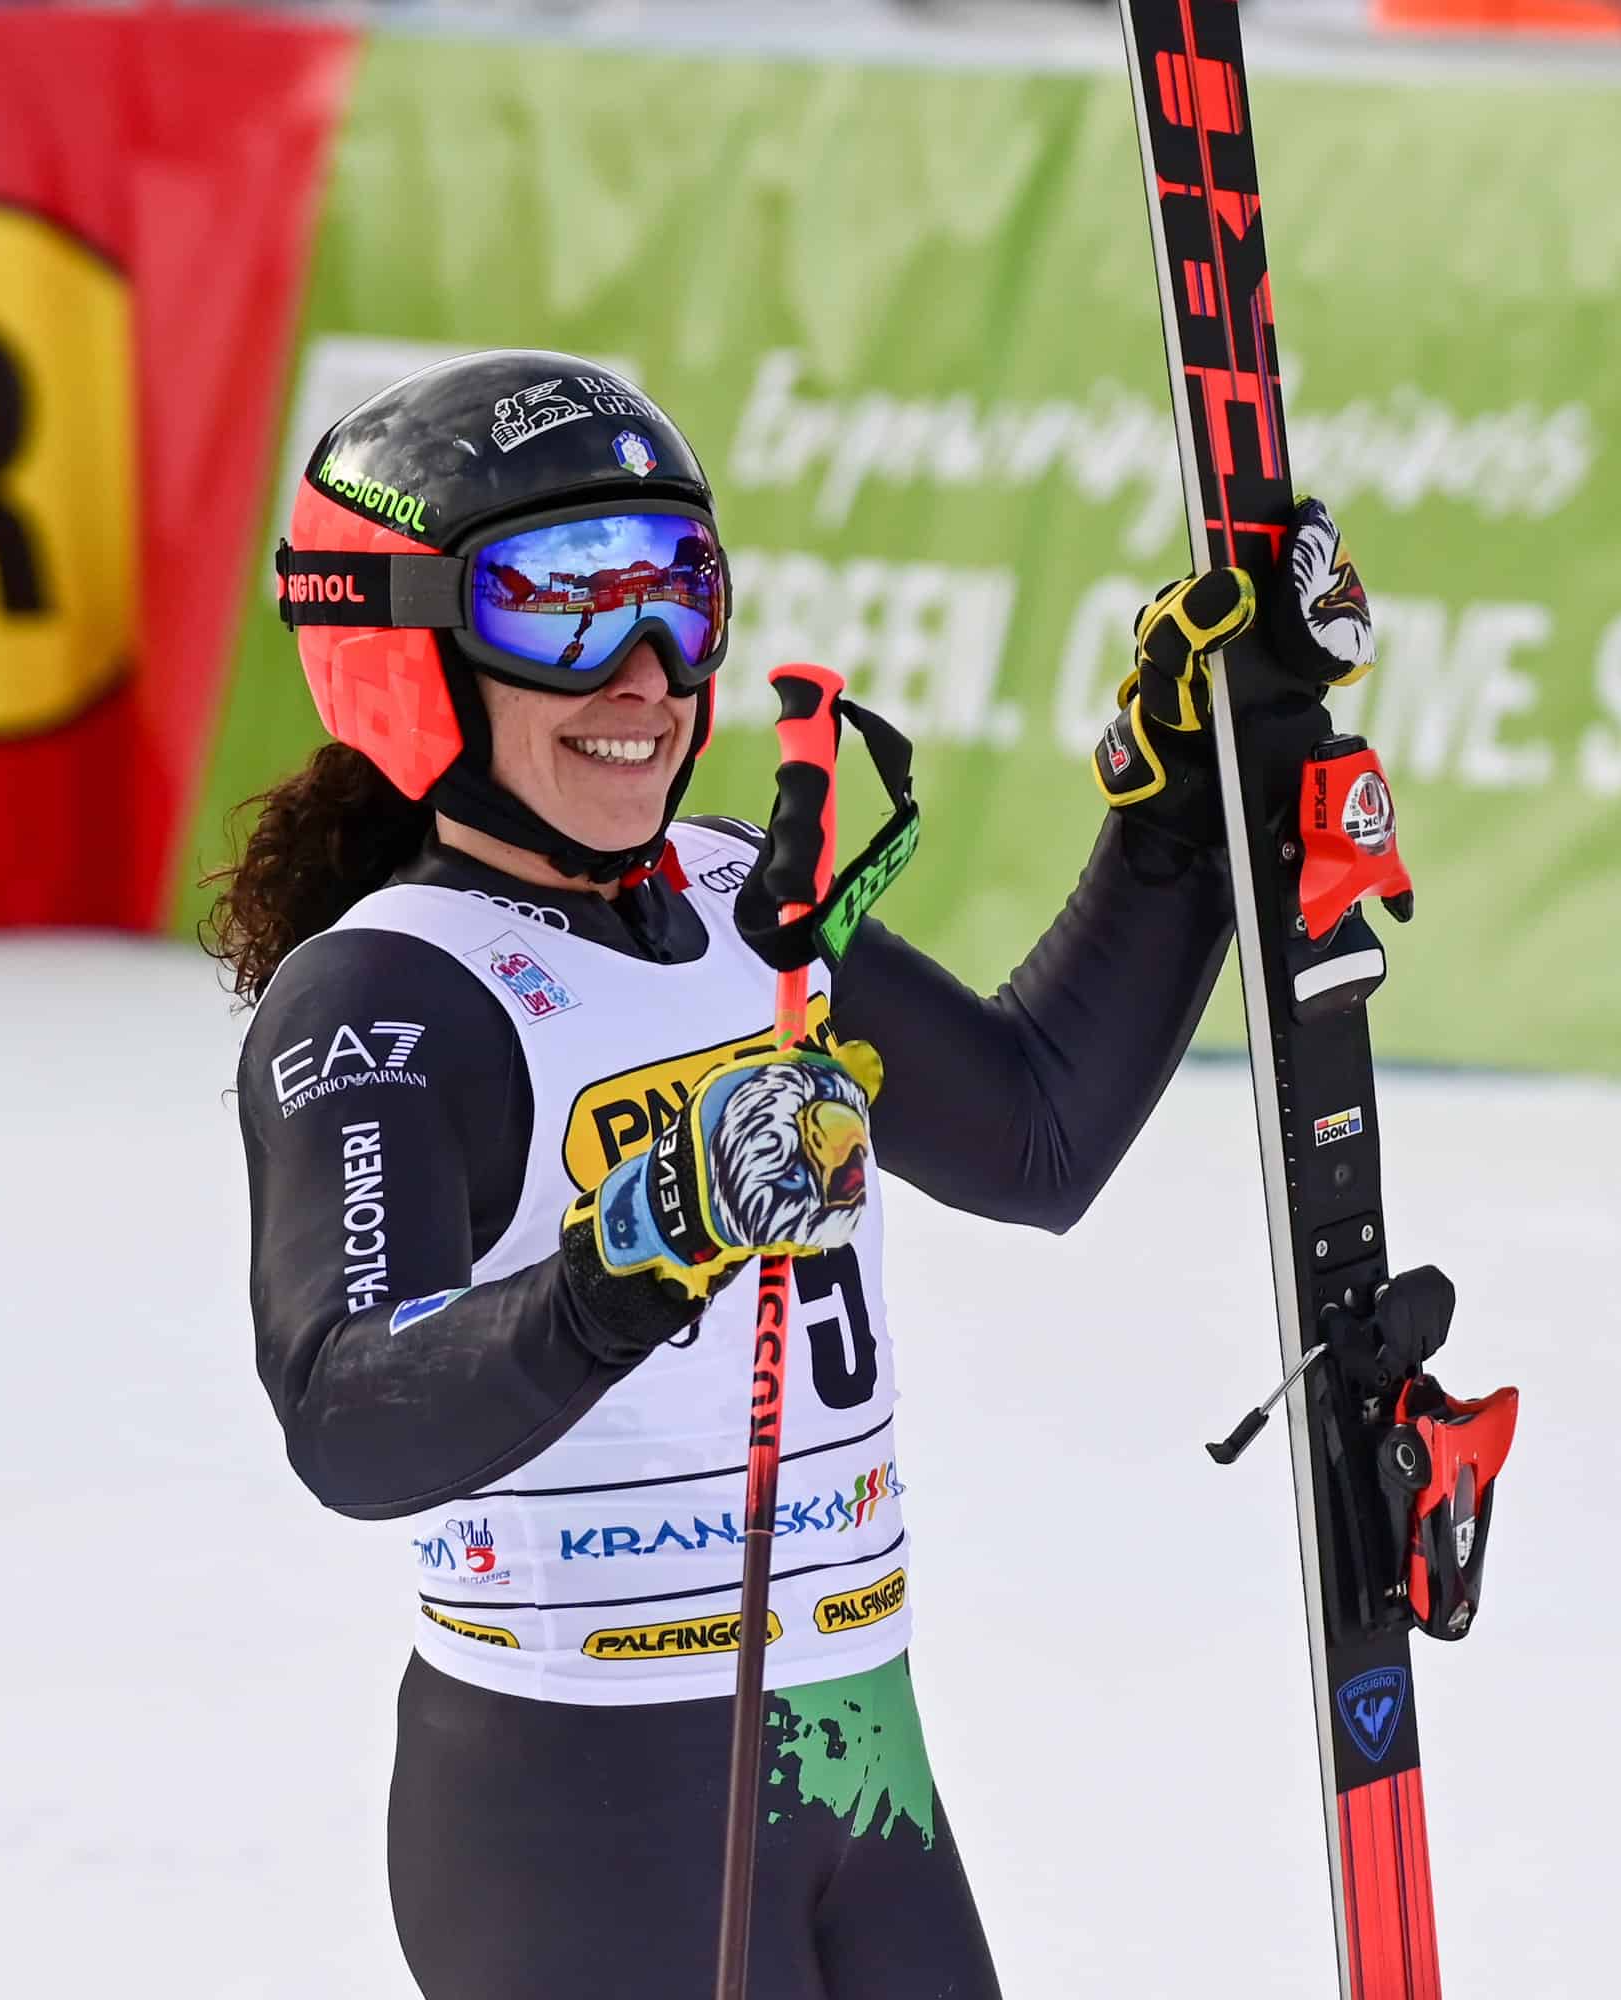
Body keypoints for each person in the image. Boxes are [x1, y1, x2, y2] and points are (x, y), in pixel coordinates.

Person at [215, 349, 1376, 1998]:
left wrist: (1186, 798)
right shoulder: (390, 994)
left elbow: (1038, 1135)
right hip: (580, 1798)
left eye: (680, 595)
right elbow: (348, 1420)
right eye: (562, 607)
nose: (642, 675)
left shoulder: (743, 902)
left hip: (855, 1752)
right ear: (402, 655)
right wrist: (638, 1250)